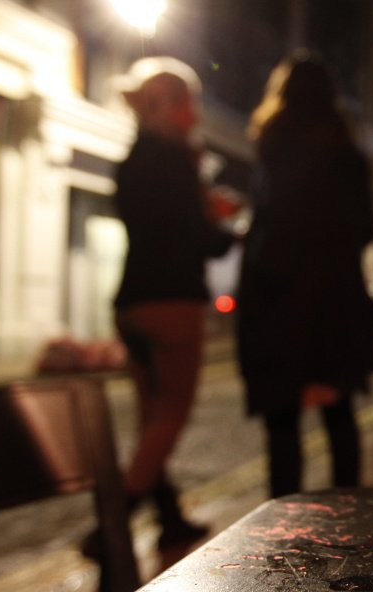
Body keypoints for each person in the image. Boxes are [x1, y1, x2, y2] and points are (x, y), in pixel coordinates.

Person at [237, 50, 373, 497]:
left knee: (282, 421)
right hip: (335, 298)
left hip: (278, 296)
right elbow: (364, 228)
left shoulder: (273, 146)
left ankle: (283, 528)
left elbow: (270, 226)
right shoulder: (348, 156)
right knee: (338, 413)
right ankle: (348, 513)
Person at [111, 57, 236, 549]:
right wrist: (222, 220)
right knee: (171, 416)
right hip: (172, 303)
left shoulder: (132, 160)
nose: (197, 113)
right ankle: (112, 522)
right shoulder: (177, 161)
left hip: (130, 302)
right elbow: (202, 241)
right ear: (174, 106)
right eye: (191, 102)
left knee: (150, 419)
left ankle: (168, 517)